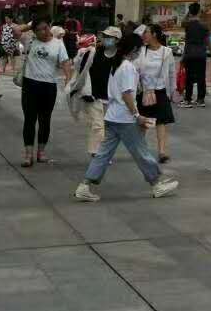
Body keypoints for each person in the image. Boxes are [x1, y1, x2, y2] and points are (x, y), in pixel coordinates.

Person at [73, 33, 179, 202]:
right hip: (125, 118)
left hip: (113, 116)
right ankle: (157, 184)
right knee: (141, 152)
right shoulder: (128, 67)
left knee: (103, 154)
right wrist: (137, 115)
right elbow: (127, 94)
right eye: (140, 48)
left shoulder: (117, 64)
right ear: (135, 49)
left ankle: (84, 186)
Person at [19, 19, 72, 166]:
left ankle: (41, 152)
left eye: (45, 28)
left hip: (48, 86)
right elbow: (14, 31)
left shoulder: (58, 44)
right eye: (39, 29)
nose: (44, 31)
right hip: (30, 84)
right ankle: (28, 154)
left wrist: (68, 80)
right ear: (34, 31)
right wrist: (29, 25)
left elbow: (66, 62)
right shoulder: (30, 39)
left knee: (45, 119)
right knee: (29, 119)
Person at [68, 25, 123, 155]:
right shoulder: (94, 52)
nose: (106, 39)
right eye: (105, 36)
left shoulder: (120, 57)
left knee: (107, 127)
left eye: (110, 37)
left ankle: (102, 152)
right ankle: (96, 152)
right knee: (97, 125)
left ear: (117, 40)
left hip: (111, 96)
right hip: (93, 94)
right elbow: (79, 67)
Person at [136, 23, 177, 162]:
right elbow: (135, 69)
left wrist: (172, 91)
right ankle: (140, 150)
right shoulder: (141, 51)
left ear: (154, 34)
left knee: (161, 122)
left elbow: (172, 73)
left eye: (146, 32)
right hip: (144, 91)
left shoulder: (167, 52)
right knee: (143, 123)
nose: (143, 35)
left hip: (160, 91)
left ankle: (162, 152)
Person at [180, 2, 211, 107]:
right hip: (201, 54)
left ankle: (187, 100)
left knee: (189, 77)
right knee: (201, 77)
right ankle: (200, 100)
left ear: (190, 12)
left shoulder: (187, 24)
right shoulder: (204, 25)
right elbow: (207, 40)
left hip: (189, 54)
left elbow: (182, 22)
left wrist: (189, 13)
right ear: (199, 12)